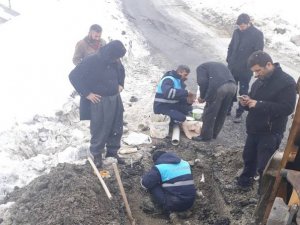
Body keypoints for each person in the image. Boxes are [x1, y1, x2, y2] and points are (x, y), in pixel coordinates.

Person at [236, 51, 296, 190]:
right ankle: (244, 183)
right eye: (254, 72)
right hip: (254, 129)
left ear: (269, 64)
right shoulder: (259, 80)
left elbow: (287, 108)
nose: (256, 75)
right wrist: (246, 102)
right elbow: (253, 100)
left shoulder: (286, 82)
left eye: (258, 70)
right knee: (249, 158)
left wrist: (258, 104)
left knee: (265, 167)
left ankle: (262, 196)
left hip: (270, 132)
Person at [69, 40, 127, 168]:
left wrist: (121, 84)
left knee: (116, 127)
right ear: (110, 54)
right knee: (100, 128)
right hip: (100, 100)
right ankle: (97, 155)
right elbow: (73, 76)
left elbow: (121, 71)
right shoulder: (92, 60)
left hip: (115, 98)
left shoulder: (115, 58)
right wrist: (87, 93)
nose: (117, 60)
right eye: (116, 57)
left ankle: (112, 153)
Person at [226, 13, 264, 123]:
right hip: (233, 66)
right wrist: (229, 59)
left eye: (243, 26)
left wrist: (251, 66)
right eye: (239, 26)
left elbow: (258, 53)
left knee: (243, 90)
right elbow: (231, 46)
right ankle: (227, 109)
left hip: (245, 69)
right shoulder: (236, 32)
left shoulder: (257, 34)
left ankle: (239, 112)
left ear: (248, 23)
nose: (241, 28)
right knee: (231, 88)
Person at [193, 62, 237, 142]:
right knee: (222, 112)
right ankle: (214, 134)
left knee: (210, 112)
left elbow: (202, 82)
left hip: (220, 88)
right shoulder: (218, 66)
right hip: (233, 86)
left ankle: (205, 136)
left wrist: (202, 97)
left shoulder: (200, 68)